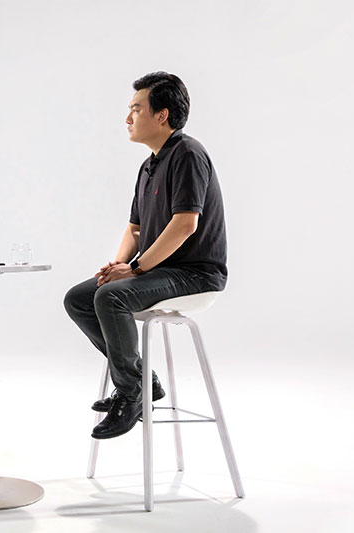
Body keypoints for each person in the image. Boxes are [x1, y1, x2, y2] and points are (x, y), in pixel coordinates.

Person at [64, 72, 228, 439]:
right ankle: (142, 380)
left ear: (162, 115)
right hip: (158, 271)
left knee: (111, 297)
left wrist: (135, 269)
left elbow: (185, 225)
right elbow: (135, 229)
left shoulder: (188, 154)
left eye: (136, 109)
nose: (128, 118)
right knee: (79, 298)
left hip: (194, 273)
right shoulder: (150, 165)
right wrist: (119, 264)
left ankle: (130, 393)